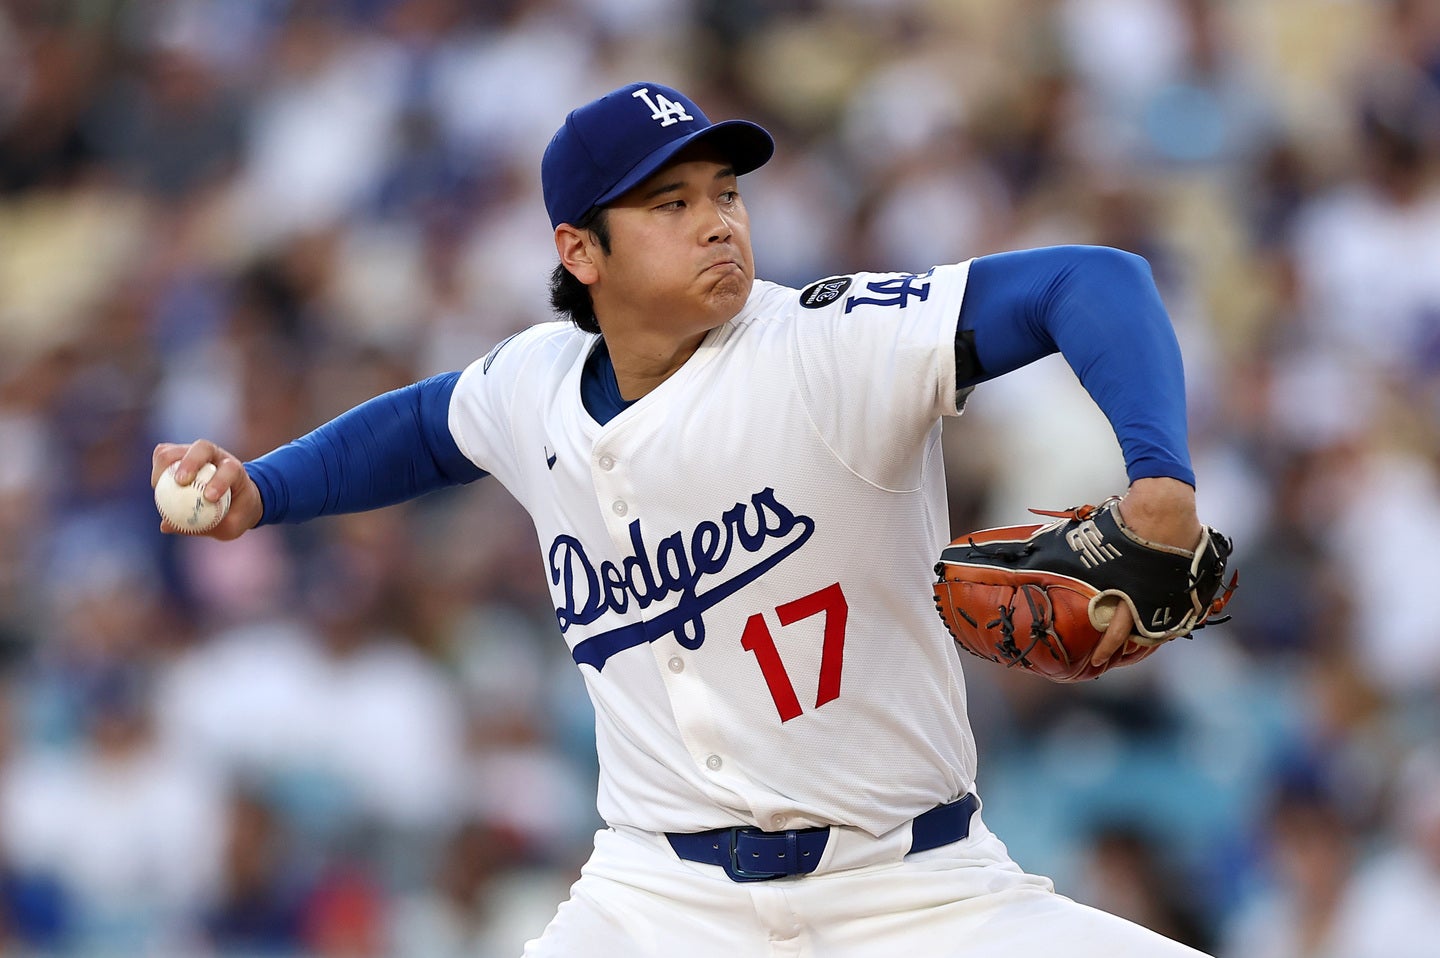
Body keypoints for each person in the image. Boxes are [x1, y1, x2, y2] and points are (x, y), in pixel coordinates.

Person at [154, 80, 1215, 957]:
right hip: (655, 903)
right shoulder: (536, 380)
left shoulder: (824, 345)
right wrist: (263, 488)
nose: (716, 219)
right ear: (582, 253)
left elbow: (1094, 279)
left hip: (916, 892)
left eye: (725, 193)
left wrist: (1159, 477)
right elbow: (427, 426)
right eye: (669, 204)